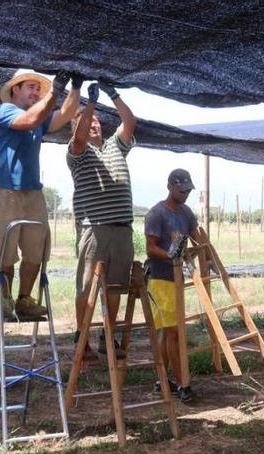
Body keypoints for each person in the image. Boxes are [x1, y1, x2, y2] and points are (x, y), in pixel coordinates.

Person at [0, 70, 81, 318]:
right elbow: (28, 120)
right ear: (15, 89)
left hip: (32, 192)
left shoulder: (38, 119)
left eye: (38, 89)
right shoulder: (4, 111)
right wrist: (56, 90)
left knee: (35, 250)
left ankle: (24, 300)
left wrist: (76, 88)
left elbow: (66, 115)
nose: (36, 92)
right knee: (5, 252)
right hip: (4, 190)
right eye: (31, 87)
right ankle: (4, 301)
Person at [67, 81, 136, 357]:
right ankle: (82, 341)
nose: (93, 124)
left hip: (122, 230)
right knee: (87, 287)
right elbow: (81, 137)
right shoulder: (77, 153)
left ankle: (108, 338)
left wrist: (113, 94)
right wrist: (90, 103)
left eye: (96, 121)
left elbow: (130, 122)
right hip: (94, 230)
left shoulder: (116, 146)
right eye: (86, 121)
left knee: (116, 286)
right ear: (74, 128)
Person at [144, 169, 199, 402]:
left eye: (188, 190)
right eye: (181, 190)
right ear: (170, 187)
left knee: (169, 332)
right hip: (159, 279)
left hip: (177, 279)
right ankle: (181, 382)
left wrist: (202, 255)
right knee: (174, 332)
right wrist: (172, 256)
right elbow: (150, 248)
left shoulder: (187, 213)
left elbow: (198, 238)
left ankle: (161, 378)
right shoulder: (157, 213)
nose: (185, 194)